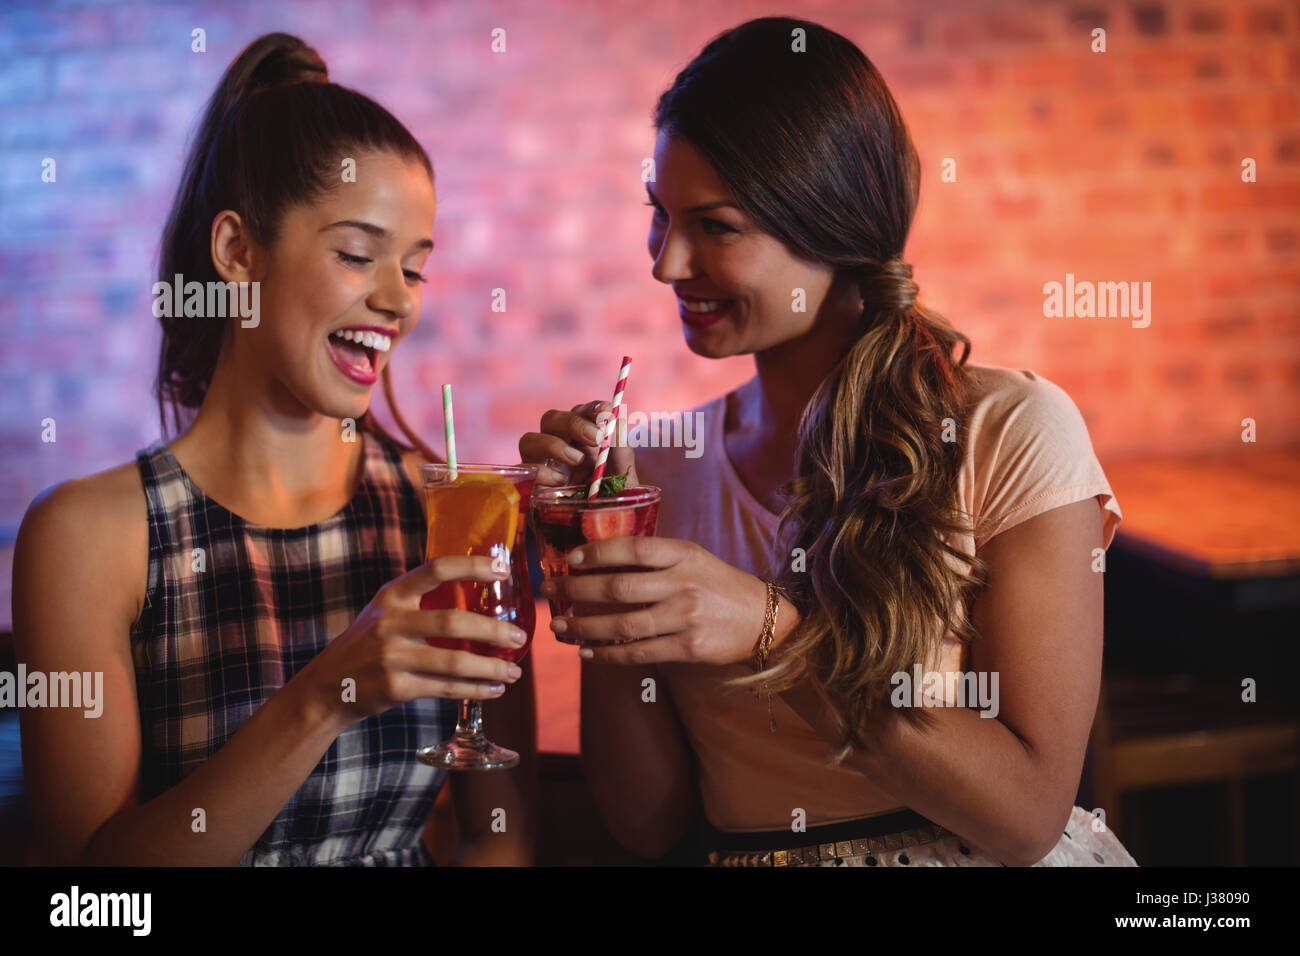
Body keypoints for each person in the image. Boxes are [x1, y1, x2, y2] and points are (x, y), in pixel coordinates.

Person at [521, 16, 1137, 867]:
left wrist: (772, 631)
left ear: (831, 227)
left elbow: (1027, 814)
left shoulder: (1011, 431)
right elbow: (646, 823)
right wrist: (598, 564)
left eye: (716, 227)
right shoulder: (661, 471)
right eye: (660, 217)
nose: (666, 263)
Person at [12, 34, 535, 866]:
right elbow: (93, 895)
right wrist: (324, 698)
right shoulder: (88, 536)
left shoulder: (447, 512)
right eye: (359, 255)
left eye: (416, 267)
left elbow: (500, 833)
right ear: (237, 253)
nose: (398, 300)